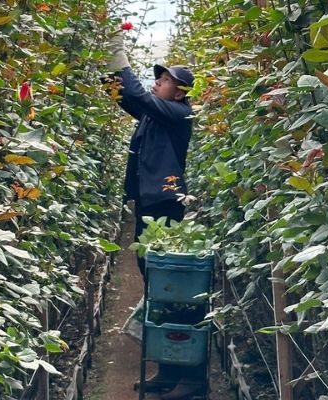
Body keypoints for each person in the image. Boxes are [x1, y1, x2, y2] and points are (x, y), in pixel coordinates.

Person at [105, 30, 203, 399]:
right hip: (150, 206)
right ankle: (166, 371)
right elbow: (124, 95)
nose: (157, 82)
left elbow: (134, 94)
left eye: (164, 80)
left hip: (165, 208)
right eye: (158, 78)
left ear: (178, 92)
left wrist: (118, 50)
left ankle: (189, 378)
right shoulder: (156, 115)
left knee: (173, 288)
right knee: (158, 288)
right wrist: (107, 59)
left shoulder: (178, 113)